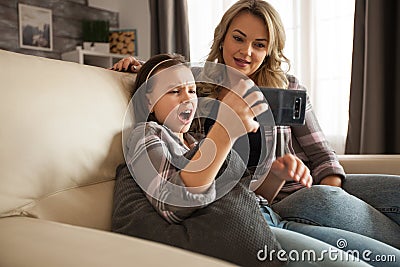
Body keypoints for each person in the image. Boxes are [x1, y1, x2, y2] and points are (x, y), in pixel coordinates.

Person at [112, 0, 400, 264]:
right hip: (273, 203)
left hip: (299, 190)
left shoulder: (286, 88)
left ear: (269, 50)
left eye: (259, 44)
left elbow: (323, 155)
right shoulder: (202, 94)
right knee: (327, 204)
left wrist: (328, 190)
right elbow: (168, 91)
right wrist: (138, 70)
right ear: (222, 37)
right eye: (238, 38)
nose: (246, 52)